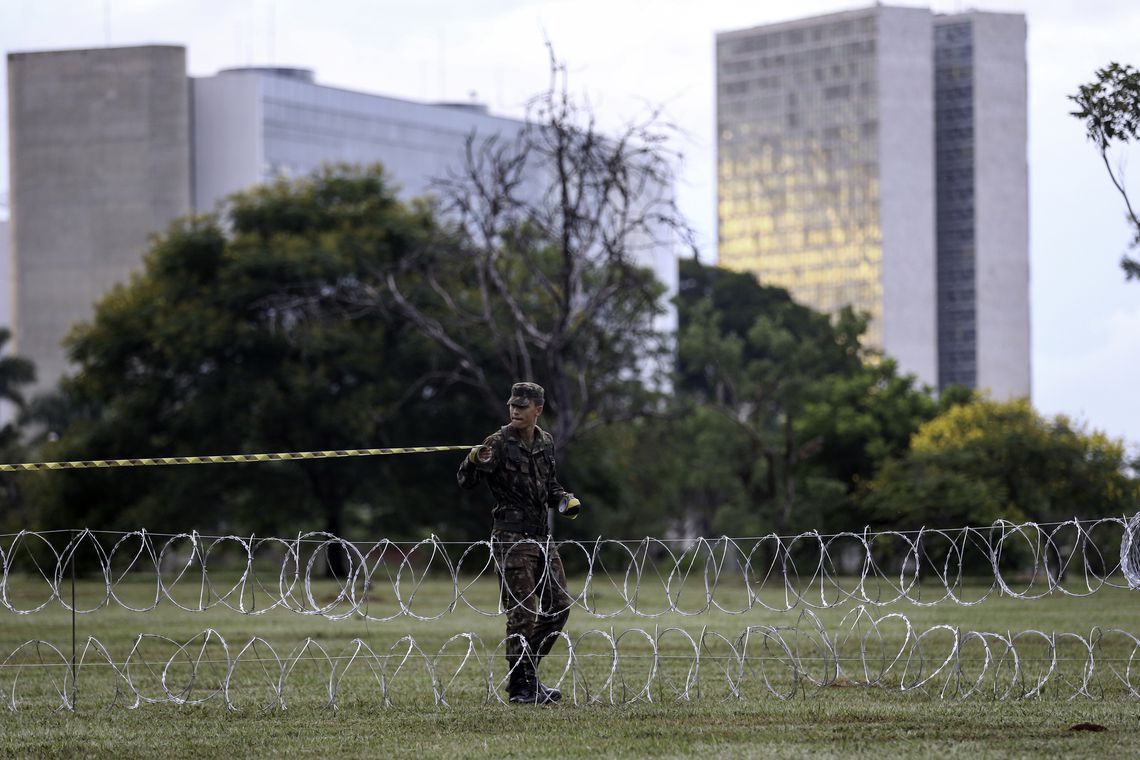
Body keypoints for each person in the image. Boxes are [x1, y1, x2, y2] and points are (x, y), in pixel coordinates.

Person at [457, 381, 581, 705]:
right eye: (512, 405)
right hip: (511, 539)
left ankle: (526, 675)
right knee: (522, 613)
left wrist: (564, 500)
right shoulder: (497, 443)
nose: (515, 411)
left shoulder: (546, 442)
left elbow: (550, 485)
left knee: (559, 606)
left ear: (538, 409)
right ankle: (522, 685)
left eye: (522, 407)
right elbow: (465, 482)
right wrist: (472, 459)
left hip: (541, 536)